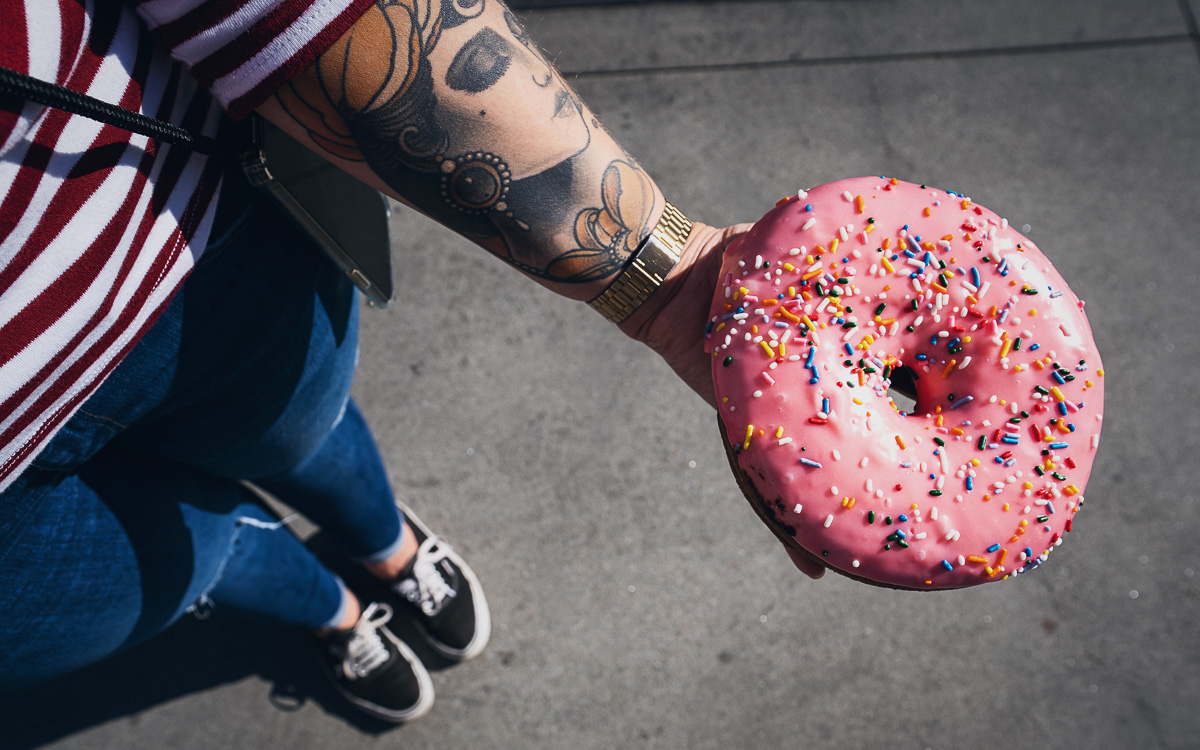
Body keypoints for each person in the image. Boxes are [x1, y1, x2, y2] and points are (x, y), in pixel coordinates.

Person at [0, 0, 822, 723]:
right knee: (190, 564)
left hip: (165, 241)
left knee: (300, 433)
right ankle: (333, 613)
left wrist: (667, 278)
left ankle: (388, 546)